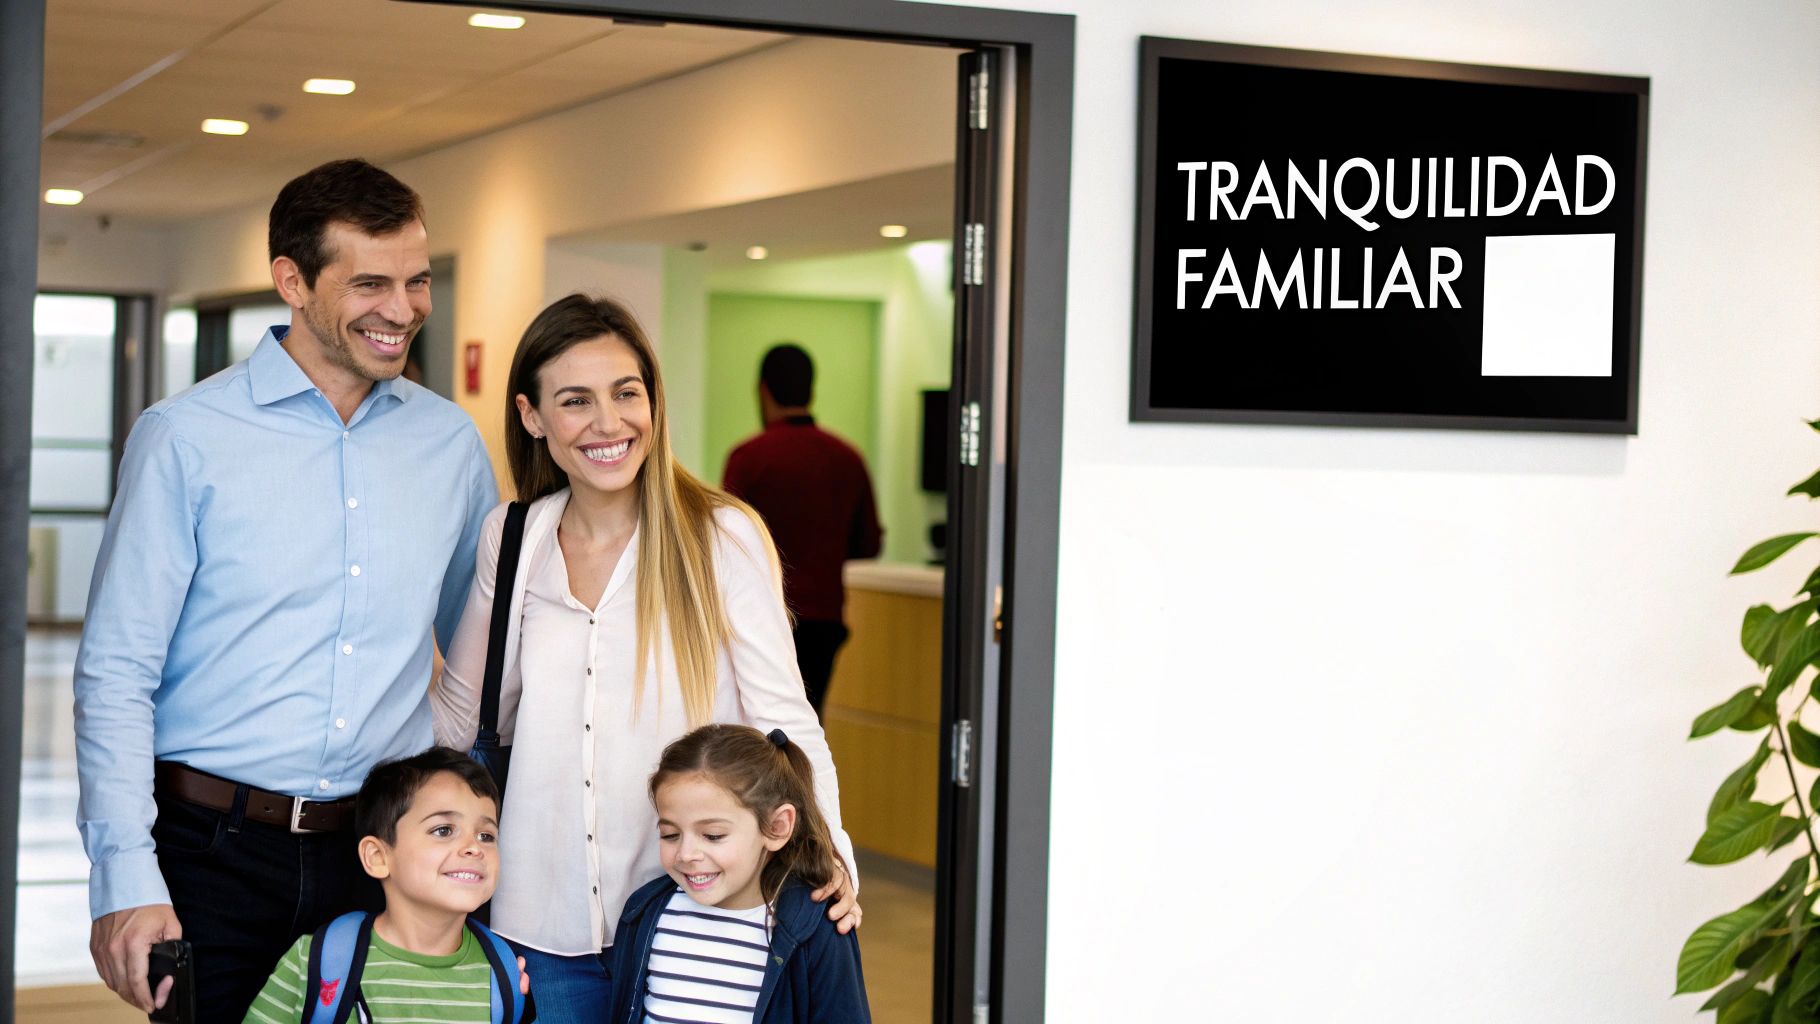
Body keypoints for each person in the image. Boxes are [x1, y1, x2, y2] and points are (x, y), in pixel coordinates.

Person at [74, 158, 497, 1022]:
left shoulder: (450, 445)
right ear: (291, 282)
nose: (404, 307)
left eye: (416, 281)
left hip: (381, 853)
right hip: (212, 853)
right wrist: (125, 874)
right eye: (370, 282)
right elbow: (115, 674)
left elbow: (484, 657)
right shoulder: (185, 439)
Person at [432, 295, 859, 1023]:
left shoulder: (720, 537)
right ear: (533, 416)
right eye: (576, 400)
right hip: (541, 927)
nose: (609, 422)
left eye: (627, 393)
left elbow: (786, 721)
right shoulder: (513, 538)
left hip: (692, 919)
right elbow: (461, 720)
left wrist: (833, 853)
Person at [241, 747, 526, 1024]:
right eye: (443, 830)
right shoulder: (316, 962)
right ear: (378, 857)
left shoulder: (502, 976)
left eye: (486, 836)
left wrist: (511, 989)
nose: (473, 848)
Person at [609, 724, 870, 1023]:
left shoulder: (815, 928)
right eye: (670, 835)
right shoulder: (644, 913)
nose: (686, 854)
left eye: (713, 835)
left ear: (776, 827)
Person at [722, 344, 883, 714]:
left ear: (762, 390)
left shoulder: (748, 459)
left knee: (757, 731)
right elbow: (869, 544)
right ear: (811, 391)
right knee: (808, 722)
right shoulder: (848, 458)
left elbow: (726, 543)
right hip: (824, 624)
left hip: (762, 615)